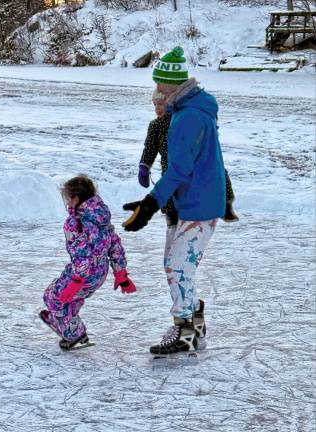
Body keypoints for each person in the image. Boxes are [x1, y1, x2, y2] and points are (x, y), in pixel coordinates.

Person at [123, 46, 226, 355]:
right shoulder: (187, 111)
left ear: (171, 87)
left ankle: (186, 329)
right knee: (173, 264)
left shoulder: (189, 117)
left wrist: (150, 205)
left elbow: (180, 168)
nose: (156, 93)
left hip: (200, 203)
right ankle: (193, 320)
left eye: (159, 87)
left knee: (179, 266)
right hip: (191, 200)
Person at [39, 174, 136, 351]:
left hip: (83, 274)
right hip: (99, 272)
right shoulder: (101, 217)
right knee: (71, 299)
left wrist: (76, 281)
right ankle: (67, 322)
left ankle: (75, 333)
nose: (67, 203)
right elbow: (115, 244)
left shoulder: (75, 223)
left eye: (68, 199)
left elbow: (82, 255)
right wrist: (120, 273)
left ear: (76, 199)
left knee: (52, 297)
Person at [138, 90, 238, 224]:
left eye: (161, 104)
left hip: (196, 167)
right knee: (169, 192)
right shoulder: (155, 126)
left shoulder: (185, 118)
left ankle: (226, 205)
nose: (157, 108)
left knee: (219, 175)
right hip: (170, 168)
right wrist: (144, 166)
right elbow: (150, 148)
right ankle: (172, 221)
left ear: (170, 103)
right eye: (154, 104)